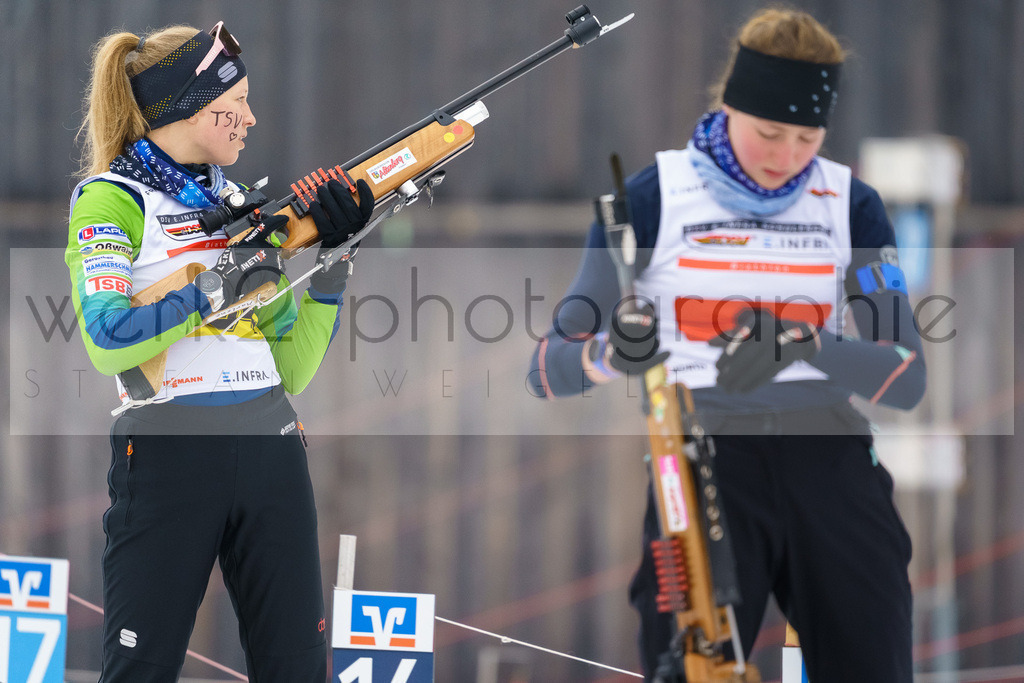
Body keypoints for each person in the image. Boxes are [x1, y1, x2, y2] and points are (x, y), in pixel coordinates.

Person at [529, 8, 925, 683]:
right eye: (769, 133)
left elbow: (905, 376)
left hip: (827, 452)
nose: (787, 156)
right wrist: (610, 354)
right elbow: (547, 368)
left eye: (807, 137)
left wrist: (804, 345)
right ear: (732, 107)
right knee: (695, 665)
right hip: (705, 454)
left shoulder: (849, 204)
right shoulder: (653, 198)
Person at [67, 22, 374, 681]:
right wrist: (215, 287)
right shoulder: (112, 199)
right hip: (171, 449)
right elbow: (107, 337)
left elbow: (290, 366)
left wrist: (334, 264)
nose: (251, 119)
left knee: (295, 668)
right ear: (195, 105)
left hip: (270, 439)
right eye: (237, 106)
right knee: (139, 669)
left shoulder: (236, 202)